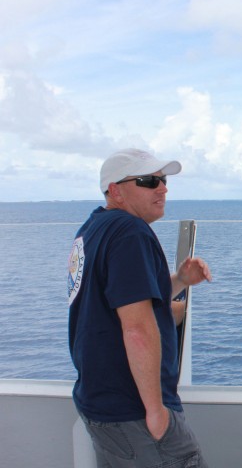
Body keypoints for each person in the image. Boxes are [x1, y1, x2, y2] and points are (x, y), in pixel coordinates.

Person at [67, 148, 212, 468]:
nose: (162, 188)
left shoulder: (92, 230)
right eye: (148, 181)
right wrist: (155, 409)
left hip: (101, 406)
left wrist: (180, 280)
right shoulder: (130, 233)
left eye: (162, 180)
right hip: (134, 410)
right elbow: (136, 328)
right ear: (115, 190)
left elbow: (120, 299)